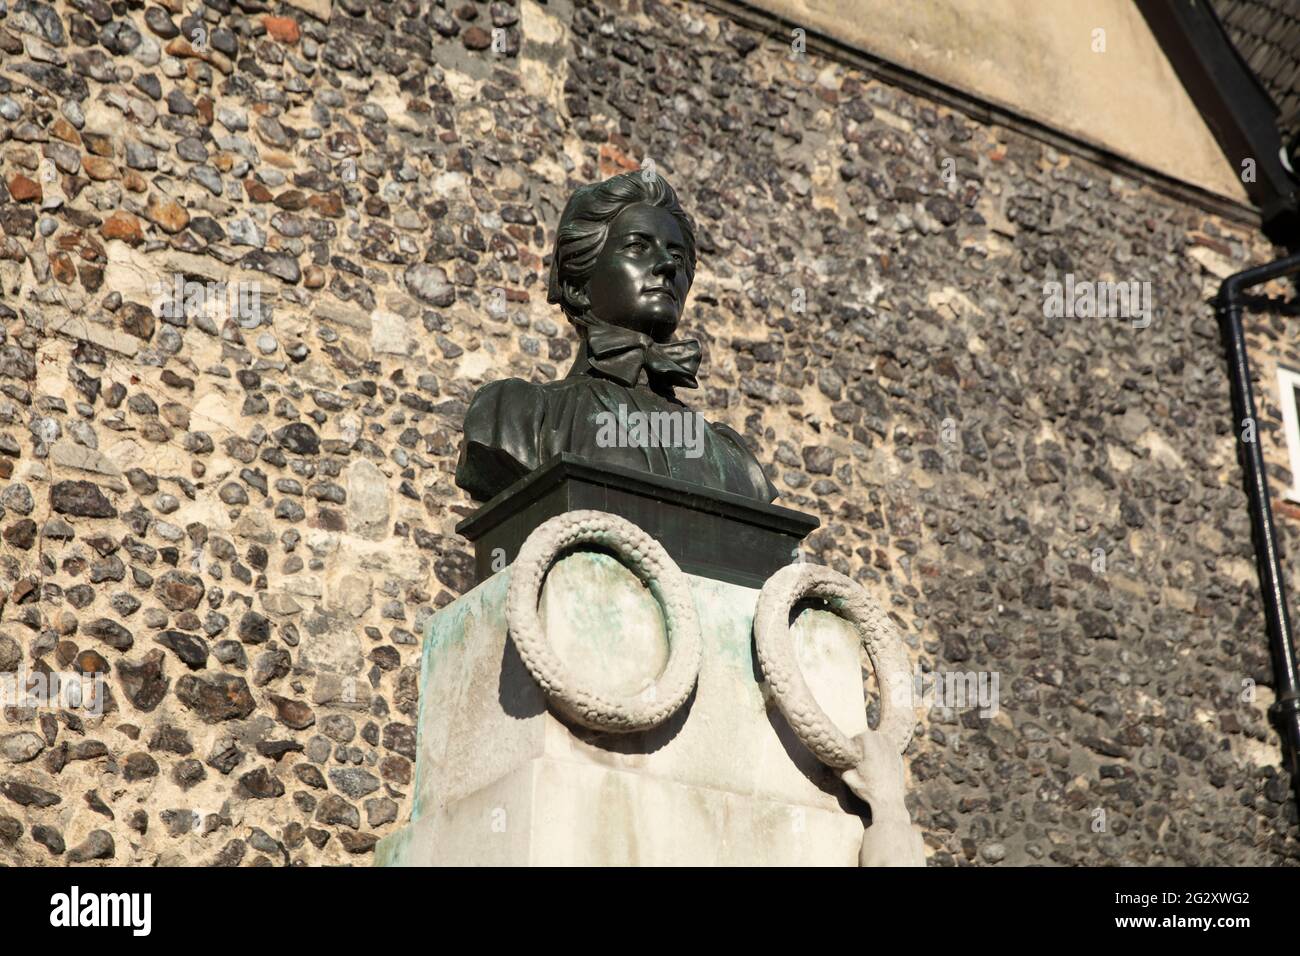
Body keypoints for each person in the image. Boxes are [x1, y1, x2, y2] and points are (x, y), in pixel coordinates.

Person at [455, 170, 777, 504]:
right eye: (638, 246)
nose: (667, 264)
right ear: (577, 288)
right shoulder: (517, 417)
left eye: (677, 256)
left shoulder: (735, 460)